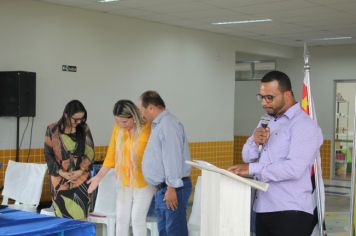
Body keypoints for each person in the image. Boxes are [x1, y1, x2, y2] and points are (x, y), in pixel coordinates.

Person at [228, 71, 323, 236]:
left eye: (269, 97)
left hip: (291, 210)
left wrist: (252, 169)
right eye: (261, 97)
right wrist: (254, 141)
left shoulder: (304, 125)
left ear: (287, 94)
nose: (264, 103)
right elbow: (247, 156)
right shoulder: (267, 121)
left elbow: (293, 168)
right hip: (263, 206)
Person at [87, 100, 155, 236]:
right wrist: (98, 177)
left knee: (137, 219)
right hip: (123, 181)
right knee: (122, 219)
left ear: (134, 117)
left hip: (145, 182)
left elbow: (157, 155)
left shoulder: (148, 128)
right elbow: (111, 155)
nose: (121, 125)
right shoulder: (118, 129)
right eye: (118, 122)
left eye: (124, 122)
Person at [139, 90, 192, 236]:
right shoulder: (159, 125)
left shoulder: (168, 125)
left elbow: (172, 157)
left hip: (173, 188)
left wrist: (171, 188)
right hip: (164, 188)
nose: (141, 114)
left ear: (150, 108)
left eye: (141, 109)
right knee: (165, 231)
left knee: (174, 231)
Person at [44, 100, 95, 219]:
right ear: (66, 115)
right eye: (75, 119)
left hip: (81, 180)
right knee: (62, 219)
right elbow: (48, 155)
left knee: (81, 218)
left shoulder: (84, 128)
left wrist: (81, 170)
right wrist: (61, 172)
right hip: (59, 181)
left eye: (81, 119)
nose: (79, 122)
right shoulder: (52, 129)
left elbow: (90, 152)